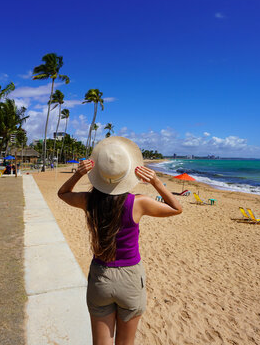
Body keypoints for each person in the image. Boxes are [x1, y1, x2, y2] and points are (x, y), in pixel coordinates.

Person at [58, 136, 182, 345]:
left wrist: (78, 174)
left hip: (101, 277)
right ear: (128, 172)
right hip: (130, 278)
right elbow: (176, 208)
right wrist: (156, 181)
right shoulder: (139, 203)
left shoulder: (89, 201)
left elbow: (63, 193)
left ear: (99, 174)